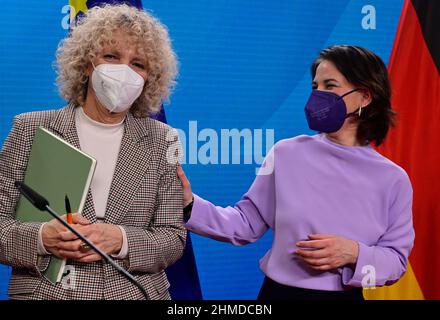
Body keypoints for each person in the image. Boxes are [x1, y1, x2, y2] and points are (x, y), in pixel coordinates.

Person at [177, 45, 415, 300]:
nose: (318, 95)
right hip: (277, 294)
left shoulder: (393, 179)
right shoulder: (285, 153)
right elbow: (245, 225)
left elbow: (396, 262)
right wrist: (189, 205)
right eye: (315, 87)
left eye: (330, 85)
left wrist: (353, 253)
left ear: (365, 97)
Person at [0, 4, 185, 300]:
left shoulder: (164, 139)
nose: (124, 71)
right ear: (87, 63)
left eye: (138, 64)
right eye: (111, 56)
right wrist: (41, 239)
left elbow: (173, 237)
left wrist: (121, 239)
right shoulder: (29, 129)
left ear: (150, 77)